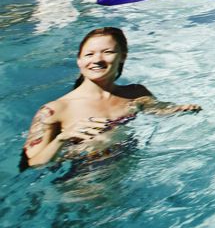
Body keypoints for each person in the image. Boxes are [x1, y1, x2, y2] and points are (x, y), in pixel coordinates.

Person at [18, 27, 200, 172]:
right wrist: (62, 138)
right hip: (83, 187)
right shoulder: (55, 110)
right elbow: (33, 164)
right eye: (89, 54)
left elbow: (157, 109)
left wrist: (180, 110)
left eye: (107, 52)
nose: (97, 59)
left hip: (129, 177)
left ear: (122, 57)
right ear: (79, 61)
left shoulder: (136, 94)